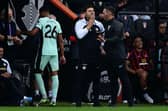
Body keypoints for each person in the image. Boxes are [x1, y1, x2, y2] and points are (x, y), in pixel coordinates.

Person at [22, 6, 66, 106]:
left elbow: (33, 33)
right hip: (54, 52)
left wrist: (21, 32)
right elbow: (61, 41)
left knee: (37, 72)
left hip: (44, 51)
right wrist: (62, 55)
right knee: (55, 74)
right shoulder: (56, 23)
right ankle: (54, 99)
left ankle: (44, 96)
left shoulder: (42, 21)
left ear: (41, 13)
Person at [102, 5, 133, 106]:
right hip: (109, 56)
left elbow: (117, 38)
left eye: (104, 12)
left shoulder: (118, 24)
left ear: (110, 13)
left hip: (118, 56)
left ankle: (130, 101)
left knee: (124, 79)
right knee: (112, 79)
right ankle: (113, 102)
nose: (103, 14)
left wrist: (105, 40)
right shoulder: (105, 24)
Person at [74, 4, 105, 106]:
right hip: (83, 55)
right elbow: (79, 35)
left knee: (96, 79)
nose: (92, 12)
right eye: (89, 11)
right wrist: (89, 25)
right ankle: (78, 101)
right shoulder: (79, 23)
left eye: (93, 11)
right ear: (85, 13)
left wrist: (102, 43)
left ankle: (96, 101)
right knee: (80, 79)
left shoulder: (99, 24)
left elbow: (103, 39)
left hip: (96, 55)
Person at [126, 36, 154, 104]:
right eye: (137, 41)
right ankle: (144, 94)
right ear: (134, 44)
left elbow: (151, 64)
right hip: (136, 72)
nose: (140, 42)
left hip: (146, 72)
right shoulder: (131, 53)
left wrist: (150, 69)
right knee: (141, 73)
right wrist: (134, 71)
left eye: (141, 41)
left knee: (143, 74)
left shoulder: (146, 52)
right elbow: (126, 66)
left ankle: (144, 93)